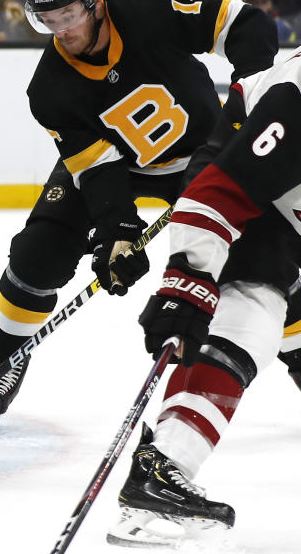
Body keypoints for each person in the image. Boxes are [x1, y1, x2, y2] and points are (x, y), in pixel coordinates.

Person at [0, 0, 278, 432]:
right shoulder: (49, 90)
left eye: (68, 13)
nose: (61, 30)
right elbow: (98, 171)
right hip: (123, 169)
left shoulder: (147, 6)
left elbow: (247, 25)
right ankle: (5, 360)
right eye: (46, 19)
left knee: (261, 257)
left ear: (95, 0)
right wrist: (117, 231)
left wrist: (250, 96)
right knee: (39, 253)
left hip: (202, 156)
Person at [108, 46, 301, 546]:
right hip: (256, 201)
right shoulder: (296, 100)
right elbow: (220, 192)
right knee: (253, 310)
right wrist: (187, 281)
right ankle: (163, 468)